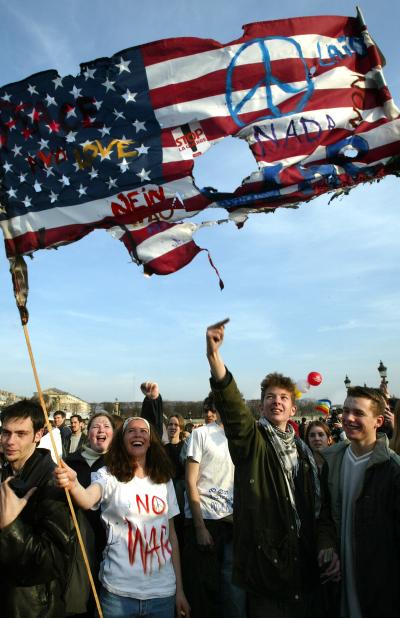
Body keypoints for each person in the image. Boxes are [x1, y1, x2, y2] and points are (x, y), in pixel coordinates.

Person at [205, 320, 338, 618]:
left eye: (283, 398)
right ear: (261, 407)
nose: (276, 402)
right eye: (269, 398)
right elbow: (234, 411)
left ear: (293, 409)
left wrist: (326, 543)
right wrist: (215, 358)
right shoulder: (252, 442)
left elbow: (322, 510)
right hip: (268, 571)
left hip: (307, 568)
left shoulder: (309, 456)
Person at [55, 416, 190, 618]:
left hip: (162, 594)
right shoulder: (107, 475)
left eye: (143, 431)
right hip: (117, 594)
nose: (138, 434)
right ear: (122, 440)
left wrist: (180, 590)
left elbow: (172, 537)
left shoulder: (164, 480)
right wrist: (74, 485)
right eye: (131, 431)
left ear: (151, 440)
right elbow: (86, 498)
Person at [323, 386, 400, 618]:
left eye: (358, 413)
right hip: (339, 584)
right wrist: (326, 546)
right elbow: (325, 514)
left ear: (378, 421)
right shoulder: (331, 460)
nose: (348, 418)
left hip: (378, 587)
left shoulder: (393, 470)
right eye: (345, 411)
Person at [0, 399, 76, 617]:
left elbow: (53, 562)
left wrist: (10, 526)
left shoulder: (53, 481)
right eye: (6, 432)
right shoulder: (7, 471)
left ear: (38, 435)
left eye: (20, 434)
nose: (10, 441)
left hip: (32, 607)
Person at [66, 412, 115, 616]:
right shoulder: (70, 462)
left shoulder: (121, 464)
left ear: (114, 434)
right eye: (96, 426)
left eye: (106, 426)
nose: (101, 429)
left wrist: (152, 401)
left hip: (111, 542)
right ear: (88, 432)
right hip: (79, 541)